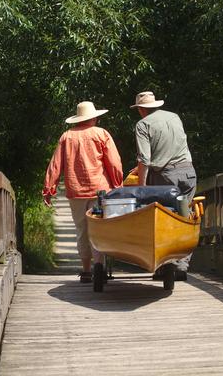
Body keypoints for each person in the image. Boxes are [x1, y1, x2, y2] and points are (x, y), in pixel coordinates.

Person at [43, 101, 123, 283]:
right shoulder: (101, 134)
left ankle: (86, 270)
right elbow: (114, 162)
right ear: (93, 117)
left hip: (76, 192)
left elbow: (56, 164)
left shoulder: (66, 137)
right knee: (99, 228)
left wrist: (49, 188)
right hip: (99, 192)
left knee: (82, 230)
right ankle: (99, 266)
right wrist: (117, 184)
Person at [130, 91, 197, 279]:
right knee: (185, 217)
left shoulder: (143, 124)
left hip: (166, 178)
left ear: (141, 109)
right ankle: (181, 265)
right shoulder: (174, 117)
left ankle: (166, 267)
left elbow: (144, 159)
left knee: (164, 220)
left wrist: (141, 187)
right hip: (188, 173)